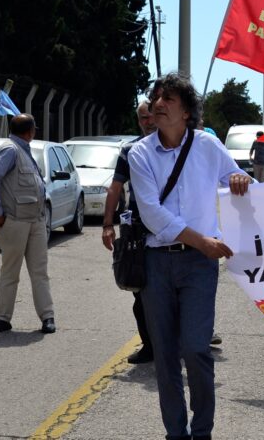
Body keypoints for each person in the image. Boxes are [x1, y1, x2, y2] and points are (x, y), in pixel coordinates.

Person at [128, 72, 252, 440]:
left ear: (187, 111)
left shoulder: (208, 147)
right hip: (156, 263)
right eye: (156, 98)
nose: (158, 105)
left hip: (199, 266)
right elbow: (152, 213)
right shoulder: (139, 153)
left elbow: (238, 181)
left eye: (168, 99)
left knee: (196, 349)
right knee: (165, 356)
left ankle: (202, 431)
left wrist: (242, 180)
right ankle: (175, 434)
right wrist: (203, 241)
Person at [0, 113, 55, 334]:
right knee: (10, 272)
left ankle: (47, 317)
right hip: (15, 222)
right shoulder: (11, 150)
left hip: (36, 221)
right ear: (30, 131)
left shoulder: (23, 150)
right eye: (34, 129)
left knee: (39, 272)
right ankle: (3, 319)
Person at [102, 100, 156, 364]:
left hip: (174, 229)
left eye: (151, 117)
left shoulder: (177, 146)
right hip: (138, 229)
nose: (148, 122)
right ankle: (150, 346)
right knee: (138, 289)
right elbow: (115, 188)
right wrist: (107, 224)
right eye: (142, 118)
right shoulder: (130, 150)